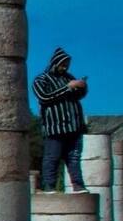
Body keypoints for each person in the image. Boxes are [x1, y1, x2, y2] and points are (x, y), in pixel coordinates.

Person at [32, 47, 88, 192]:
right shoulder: (41, 79)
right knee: (52, 158)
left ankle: (78, 185)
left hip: (74, 126)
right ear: (55, 63)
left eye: (67, 64)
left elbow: (77, 97)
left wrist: (82, 87)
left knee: (74, 158)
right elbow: (44, 98)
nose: (65, 67)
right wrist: (67, 88)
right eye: (63, 64)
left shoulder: (69, 77)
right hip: (55, 127)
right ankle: (49, 186)